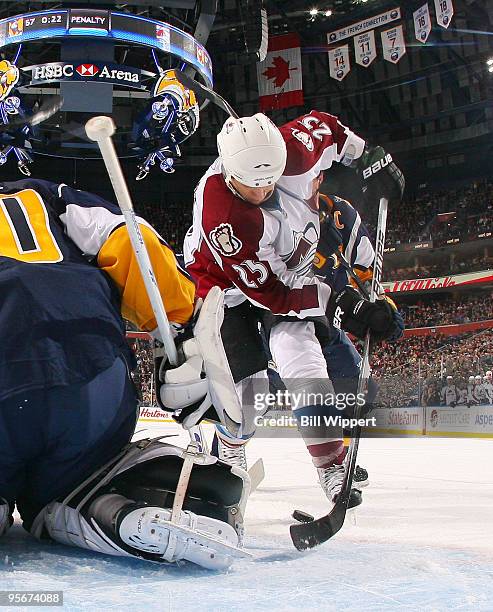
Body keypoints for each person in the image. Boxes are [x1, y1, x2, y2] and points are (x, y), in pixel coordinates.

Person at [0, 177, 249, 570]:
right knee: (76, 477)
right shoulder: (42, 195)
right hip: (93, 371)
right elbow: (134, 241)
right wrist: (181, 328)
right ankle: (112, 500)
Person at [183, 110, 404, 507]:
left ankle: (330, 465)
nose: (263, 190)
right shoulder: (226, 218)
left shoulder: (293, 149)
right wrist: (340, 304)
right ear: (229, 174)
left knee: (302, 360)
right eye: (252, 185)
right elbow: (274, 293)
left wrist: (368, 156)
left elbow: (331, 128)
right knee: (248, 396)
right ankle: (232, 443)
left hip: (291, 273)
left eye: (271, 179)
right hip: (228, 291)